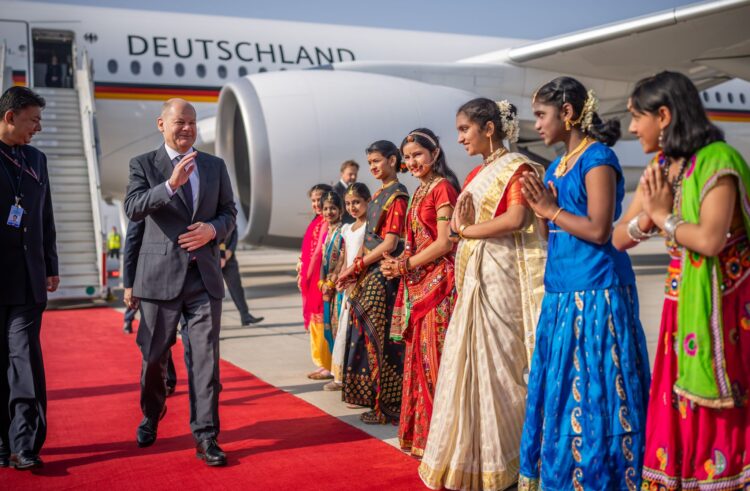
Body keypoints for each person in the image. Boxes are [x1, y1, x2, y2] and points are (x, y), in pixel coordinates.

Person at [612, 71, 750, 489]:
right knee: (677, 408)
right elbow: (619, 236)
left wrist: (661, 217)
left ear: (665, 115)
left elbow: (709, 238)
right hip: (681, 309)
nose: (632, 127)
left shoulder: (718, 161)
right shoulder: (661, 167)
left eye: (638, 117)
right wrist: (648, 221)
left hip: (722, 316)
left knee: (722, 416)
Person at [517, 77, 650, 490]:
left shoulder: (599, 159)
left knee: (599, 392)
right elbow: (550, 235)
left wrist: (551, 209)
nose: (536, 124)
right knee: (561, 392)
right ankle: (564, 474)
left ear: (568, 113)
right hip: (561, 290)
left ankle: (607, 476)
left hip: (597, 290)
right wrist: (541, 213)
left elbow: (598, 229)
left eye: (542, 115)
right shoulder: (557, 165)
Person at [418, 99, 546, 489]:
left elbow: (518, 219)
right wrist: (464, 227)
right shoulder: (477, 173)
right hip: (477, 276)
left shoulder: (518, 167)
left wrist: (465, 231)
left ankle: (509, 457)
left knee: (503, 366)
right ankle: (475, 456)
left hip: (502, 277)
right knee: (472, 363)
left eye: (464, 130)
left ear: (489, 129)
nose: (459, 139)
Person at [124, 98, 236, 466]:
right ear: (162, 124)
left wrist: (212, 230)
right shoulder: (143, 165)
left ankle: (206, 436)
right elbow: (134, 210)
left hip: (203, 278)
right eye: (179, 122)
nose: (187, 128)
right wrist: (170, 185)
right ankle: (151, 413)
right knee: (154, 357)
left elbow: (228, 212)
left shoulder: (215, 166)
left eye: (192, 122)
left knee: (205, 361)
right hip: (157, 281)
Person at [380, 128, 459, 457]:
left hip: (440, 286)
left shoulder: (443, 189)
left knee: (435, 363)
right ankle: (424, 440)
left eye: (418, 155)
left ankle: (444, 443)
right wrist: (400, 261)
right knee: (418, 362)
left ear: (435, 153)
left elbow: (445, 242)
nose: (412, 162)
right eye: (408, 156)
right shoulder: (418, 191)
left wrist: (404, 264)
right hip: (418, 285)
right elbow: (418, 241)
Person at [0, 86, 58, 470]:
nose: (38, 127)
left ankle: (24, 444)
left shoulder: (36, 159)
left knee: (23, 359)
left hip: (28, 280)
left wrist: (51, 264)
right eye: (32, 120)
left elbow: (46, 215)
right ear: (9, 117)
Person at [336, 140, 408, 424]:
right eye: (370, 163)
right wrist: (353, 271)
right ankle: (372, 399)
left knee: (381, 342)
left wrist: (357, 265)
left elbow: (390, 242)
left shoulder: (397, 196)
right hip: (369, 272)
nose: (374, 168)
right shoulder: (379, 192)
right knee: (366, 338)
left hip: (382, 276)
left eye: (377, 161)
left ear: (392, 160)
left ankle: (385, 405)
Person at [122, 219, 177, 395]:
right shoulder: (142, 199)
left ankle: (202, 385)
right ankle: (164, 380)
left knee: (188, 341)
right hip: (149, 281)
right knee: (155, 339)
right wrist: (129, 284)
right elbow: (132, 240)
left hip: (183, 278)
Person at [326, 183, 370, 391]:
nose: (353, 207)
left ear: (367, 202)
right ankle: (341, 376)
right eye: (349, 204)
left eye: (357, 203)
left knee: (357, 331)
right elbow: (345, 256)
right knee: (344, 328)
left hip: (362, 280)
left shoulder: (369, 226)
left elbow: (365, 255)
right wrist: (340, 277)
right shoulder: (347, 228)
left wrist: (352, 275)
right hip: (348, 283)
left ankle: (355, 377)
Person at [298, 183, 333, 380]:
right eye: (313, 200)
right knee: (315, 319)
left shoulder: (326, 222)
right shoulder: (316, 221)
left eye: (319, 199)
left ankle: (327, 363)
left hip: (320, 276)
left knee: (322, 318)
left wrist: (308, 274)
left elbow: (319, 250)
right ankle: (320, 362)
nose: (316, 203)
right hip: (311, 276)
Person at [318, 191, 345, 380]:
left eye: (333, 208)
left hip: (338, 286)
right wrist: (321, 282)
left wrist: (331, 282)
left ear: (340, 210)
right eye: (326, 208)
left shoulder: (343, 230)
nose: (329, 212)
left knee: (337, 328)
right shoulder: (327, 231)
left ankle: (340, 373)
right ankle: (334, 370)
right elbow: (322, 258)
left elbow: (342, 258)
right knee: (328, 328)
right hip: (327, 286)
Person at [219, 227, 263, 326]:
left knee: (237, 287)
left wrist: (230, 250)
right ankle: (210, 327)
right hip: (214, 257)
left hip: (229, 257)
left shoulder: (230, 213)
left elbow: (234, 234)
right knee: (212, 294)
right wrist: (221, 255)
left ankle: (245, 315)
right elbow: (219, 237)